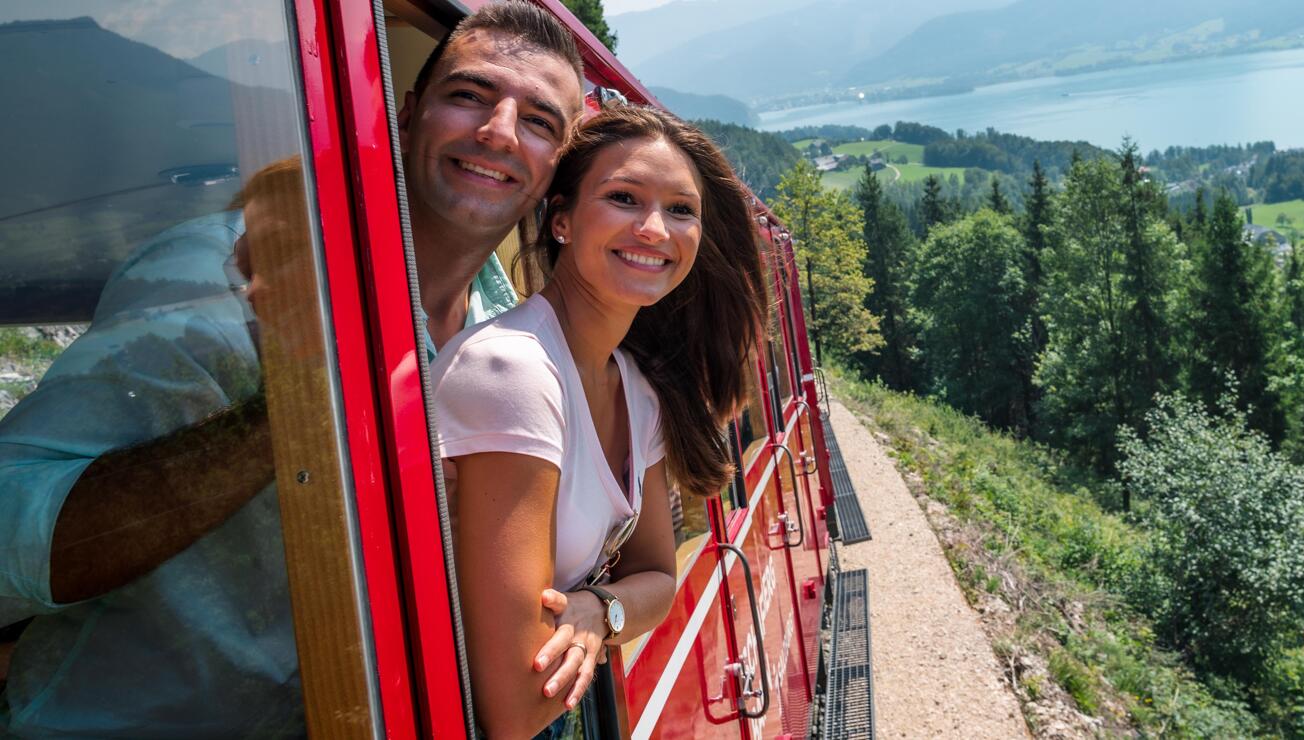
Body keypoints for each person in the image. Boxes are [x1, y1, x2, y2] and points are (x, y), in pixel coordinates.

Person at [0, 1, 586, 735]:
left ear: (555, 166)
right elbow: (9, 539)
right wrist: (307, 393)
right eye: (469, 96)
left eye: (539, 121)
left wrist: (597, 608)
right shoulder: (219, 273)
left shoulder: (506, 332)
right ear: (405, 114)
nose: (499, 133)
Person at [430, 105, 769, 738]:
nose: (654, 229)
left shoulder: (636, 389)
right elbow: (514, 707)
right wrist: (615, 610)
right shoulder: (513, 371)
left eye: (680, 209)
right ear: (560, 218)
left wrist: (596, 608)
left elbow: (660, 580)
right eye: (623, 198)